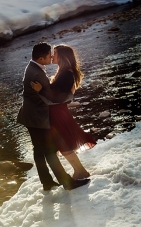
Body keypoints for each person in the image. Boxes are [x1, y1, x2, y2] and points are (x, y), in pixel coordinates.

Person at [16, 42, 90, 191]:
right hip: (37, 117)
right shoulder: (37, 73)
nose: (51, 56)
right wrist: (65, 97)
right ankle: (66, 182)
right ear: (42, 58)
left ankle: (47, 181)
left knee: (41, 150)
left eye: (54, 54)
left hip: (34, 116)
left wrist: (65, 97)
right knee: (49, 151)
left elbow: (55, 95)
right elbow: (52, 97)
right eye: (50, 54)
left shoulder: (34, 68)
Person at [32, 44, 96, 180]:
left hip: (58, 113)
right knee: (63, 144)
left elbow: (58, 97)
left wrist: (40, 90)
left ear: (63, 56)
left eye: (55, 53)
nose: (52, 56)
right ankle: (80, 171)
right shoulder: (64, 72)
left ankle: (81, 171)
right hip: (58, 112)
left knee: (63, 145)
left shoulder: (66, 74)